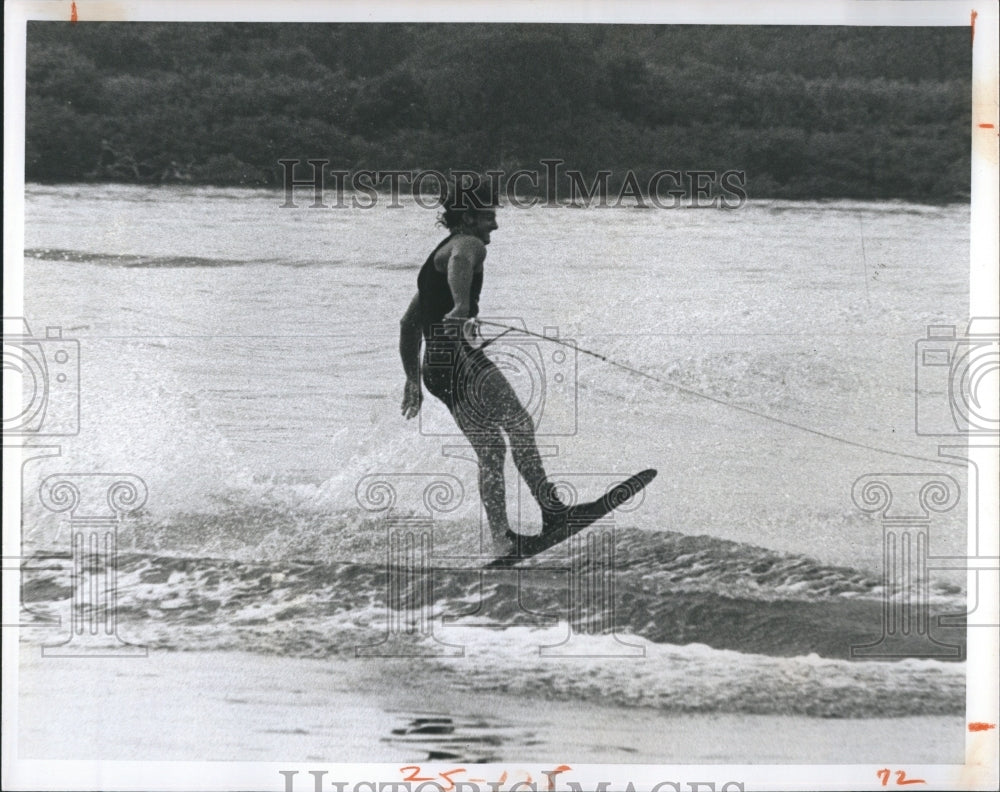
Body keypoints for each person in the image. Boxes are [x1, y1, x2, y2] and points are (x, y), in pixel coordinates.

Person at [399, 188, 565, 550]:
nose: (496, 224)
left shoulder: (433, 263)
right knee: (519, 424)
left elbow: (407, 324)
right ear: (469, 219)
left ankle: (501, 540)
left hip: (436, 371)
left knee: (490, 450)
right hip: (460, 360)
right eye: (489, 216)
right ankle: (553, 511)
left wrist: (413, 380)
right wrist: (461, 306)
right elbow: (463, 258)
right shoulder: (468, 244)